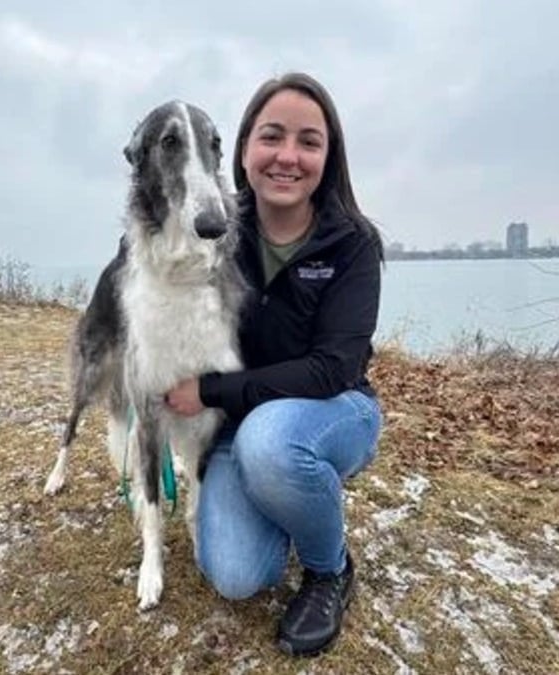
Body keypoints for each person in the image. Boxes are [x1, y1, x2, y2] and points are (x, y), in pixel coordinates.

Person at [164, 71, 385, 657]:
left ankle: (329, 568)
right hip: (242, 422)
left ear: (328, 156)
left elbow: (332, 369)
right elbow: (143, 263)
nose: (288, 156)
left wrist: (210, 391)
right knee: (235, 577)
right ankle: (287, 494)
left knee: (272, 445)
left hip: (334, 409)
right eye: (272, 137)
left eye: (308, 141)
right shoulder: (215, 230)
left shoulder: (353, 244)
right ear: (241, 151)